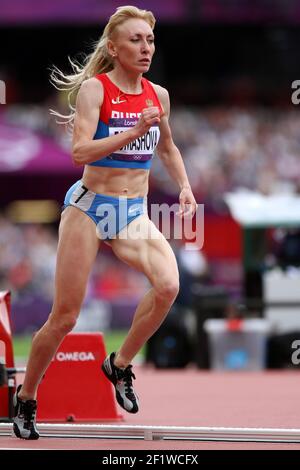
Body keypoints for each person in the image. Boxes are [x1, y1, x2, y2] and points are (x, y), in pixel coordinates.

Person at [13, 5, 197, 439]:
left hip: (131, 212)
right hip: (90, 208)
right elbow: (79, 153)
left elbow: (167, 147)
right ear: (113, 48)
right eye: (135, 40)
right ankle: (27, 397)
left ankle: (118, 365)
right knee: (64, 317)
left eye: (149, 40)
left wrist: (185, 185)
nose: (145, 47)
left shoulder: (159, 95)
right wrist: (134, 133)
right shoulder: (96, 91)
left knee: (169, 286)